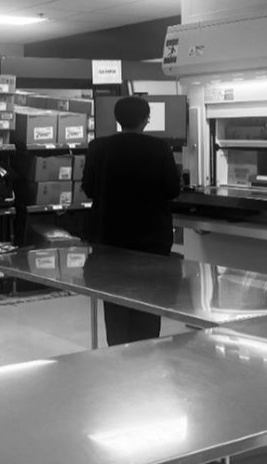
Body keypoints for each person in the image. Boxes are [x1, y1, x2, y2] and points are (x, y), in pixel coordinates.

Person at [83, 96, 181, 346]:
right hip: (150, 240)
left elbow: (89, 189)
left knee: (114, 300)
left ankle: (118, 354)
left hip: (109, 238)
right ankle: (145, 352)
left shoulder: (98, 147)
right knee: (148, 302)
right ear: (146, 120)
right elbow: (172, 189)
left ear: (118, 119)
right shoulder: (160, 148)